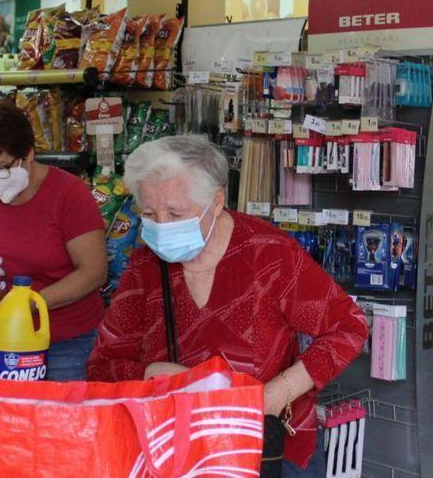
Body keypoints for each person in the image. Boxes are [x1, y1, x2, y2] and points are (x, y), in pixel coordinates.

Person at [87, 135, 369, 477]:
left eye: (175, 212)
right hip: (176, 453)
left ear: (216, 201)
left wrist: (276, 393)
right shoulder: (146, 265)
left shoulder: (268, 254)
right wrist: (149, 375)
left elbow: (348, 326)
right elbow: (103, 366)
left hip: (266, 450)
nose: (161, 225)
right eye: (149, 213)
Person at [0, 99, 107, 380]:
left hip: (65, 344)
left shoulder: (68, 195)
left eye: (1, 166)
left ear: (28, 153)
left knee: (61, 422)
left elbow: (94, 272)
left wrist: (30, 303)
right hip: (3, 341)